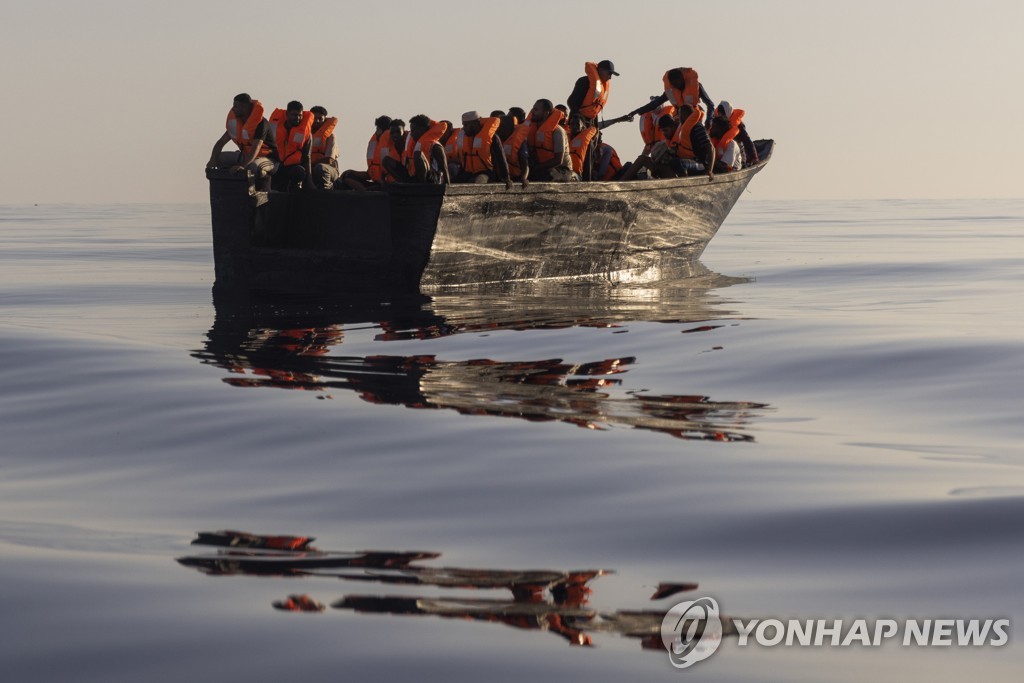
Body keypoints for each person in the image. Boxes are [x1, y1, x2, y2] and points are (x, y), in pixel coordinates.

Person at [621, 105, 714, 181]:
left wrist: (709, 170)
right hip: (673, 167)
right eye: (662, 131)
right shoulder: (674, 137)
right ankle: (620, 183)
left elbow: (711, 148)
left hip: (698, 163)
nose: (664, 133)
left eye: (666, 130)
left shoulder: (696, 128)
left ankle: (684, 186)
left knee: (675, 162)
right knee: (642, 159)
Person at [207, 93, 278, 191]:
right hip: (247, 156)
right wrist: (212, 160)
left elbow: (255, 149)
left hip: (269, 159)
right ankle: (233, 187)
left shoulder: (261, 124)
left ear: (245, 107)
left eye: (236, 106)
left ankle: (266, 182)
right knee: (219, 158)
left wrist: (242, 166)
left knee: (254, 167)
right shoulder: (237, 123)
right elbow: (220, 142)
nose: (233, 109)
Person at [626, 67, 715, 130]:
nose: (677, 84)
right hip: (678, 120)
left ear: (682, 78)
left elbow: (710, 104)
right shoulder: (670, 91)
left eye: (678, 81)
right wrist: (636, 111)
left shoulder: (696, 86)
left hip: (694, 119)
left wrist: (709, 121)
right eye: (674, 82)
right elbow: (654, 104)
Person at [383, 115, 450, 184]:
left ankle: (422, 186)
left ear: (423, 129)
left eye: (414, 130)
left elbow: (445, 169)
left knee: (418, 154)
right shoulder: (414, 145)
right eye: (411, 130)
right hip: (414, 177)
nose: (411, 134)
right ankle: (405, 184)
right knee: (386, 160)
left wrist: (449, 188)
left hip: (431, 180)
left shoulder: (435, 146)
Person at [521, 99, 574, 185]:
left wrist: (537, 167)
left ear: (546, 113)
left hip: (562, 170)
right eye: (533, 109)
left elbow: (558, 161)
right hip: (541, 167)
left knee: (548, 174)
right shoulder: (532, 130)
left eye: (536, 110)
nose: (532, 112)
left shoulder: (557, 131)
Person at [453, 111, 511, 188]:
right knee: (451, 183)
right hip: (467, 173)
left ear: (474, 124)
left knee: (479, 181)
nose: (464, 128)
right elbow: (464, 162)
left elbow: (501, 158)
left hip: (485, 173)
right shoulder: (464, 137)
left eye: (466, 125)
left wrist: (506, 178)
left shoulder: (492, 137)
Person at [268, 101, 314, 191]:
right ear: (287, 114)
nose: (297, 118)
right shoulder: (274, 128)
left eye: (300, 115)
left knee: (299, 171)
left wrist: (309, 180)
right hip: (276, 164)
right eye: (294, 115)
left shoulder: (306, 133)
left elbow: (307, 156)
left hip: (293, 167)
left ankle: (293, 189)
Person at [339, 115, 391, 191]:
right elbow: (370, 174)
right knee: (348, 176)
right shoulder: (375, 143)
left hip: (387, 184)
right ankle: (366, 191)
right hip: (375, 182)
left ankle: (367, 192)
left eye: (378, 129)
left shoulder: (391, 145)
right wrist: (352, 172)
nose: (376, 132)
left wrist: (383, 182)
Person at [713, 101, 759, 166]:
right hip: (720, 153)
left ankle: (735, 166)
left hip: (737, 154)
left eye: (723, 113)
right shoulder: (716, 122)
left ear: (728, 112)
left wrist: (754, 158)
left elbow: (747, 141)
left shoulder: (739, 126)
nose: (721, 115)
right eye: (719, 112)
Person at [308, 106, 339, 190]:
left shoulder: (331, 136)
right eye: (314, 118)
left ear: (324, 120)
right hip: (309, 167)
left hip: (329, 170)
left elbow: (329, 160)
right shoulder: (304, 134)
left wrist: (309, 165)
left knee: (320, 168)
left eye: (320, 119)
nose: (317, 121)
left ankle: (328, 189)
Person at [568, 115, 598, 180]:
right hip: (565, 171)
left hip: (576, 174)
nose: (574, 126)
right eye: (572, 124)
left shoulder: (585, 139)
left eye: (577, 124)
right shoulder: (565, 137)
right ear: (569, 126)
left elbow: (593, 128)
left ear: (583, 126)